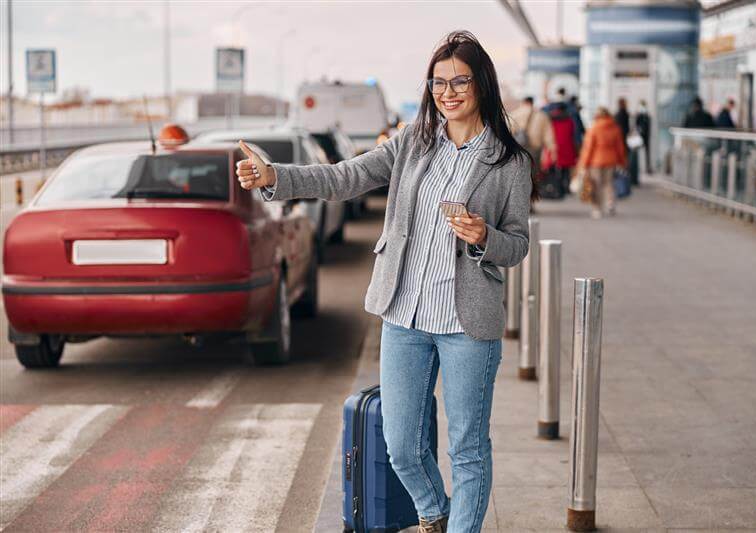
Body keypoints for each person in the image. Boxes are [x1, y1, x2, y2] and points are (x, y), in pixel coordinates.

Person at [237, 30, 536, 533]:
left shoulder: (509, 162)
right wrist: (276, 178)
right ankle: (434, 513)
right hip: (405, 314)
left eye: (461, 81)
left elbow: (518, 244)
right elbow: (343, 177)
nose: (449, 92)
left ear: (482, 84)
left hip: (467, 322)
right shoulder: (414, 143)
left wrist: (485, 234)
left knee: (467, 449)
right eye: (439, 82)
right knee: (400, 446)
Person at [577, 106, 627, 219]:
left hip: (596, 161)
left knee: (597, 185)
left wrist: (583, 164)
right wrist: (622, 161)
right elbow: (620, 147)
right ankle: (610, 203)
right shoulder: (615, 128)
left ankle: (597, 208)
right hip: (611, 160)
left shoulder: (594, 128)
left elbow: (588, 148)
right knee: (608, 183)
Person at [509, 96, 555, 179]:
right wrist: (552, 150)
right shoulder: (542, 116)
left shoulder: (514, 114)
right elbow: (548, 136)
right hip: (535, 151)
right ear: (532, 103)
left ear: (523, 102)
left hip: (518, 151)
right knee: (533, 177)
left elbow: (508, 134)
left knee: (519, 177)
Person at [547, 100, 578, 194]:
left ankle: (556, 187)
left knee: (553, 168)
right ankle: (565, 188)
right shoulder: (569, 120)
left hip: (554, 146)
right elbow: (573, 134)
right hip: (567, 146)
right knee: (566, 169)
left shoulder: (550, 119)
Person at [635, 100, 652, 174]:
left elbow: (649, 126)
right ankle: (637, 167)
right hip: (640, 136)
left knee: (647, 153)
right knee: (637, 152)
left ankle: (647, 168)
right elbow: (636, 125)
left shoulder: (647, 115)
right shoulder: (639, 115)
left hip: (646, 136)